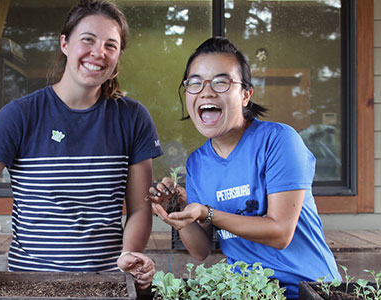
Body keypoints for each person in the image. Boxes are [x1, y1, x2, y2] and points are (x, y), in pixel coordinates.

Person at [0, 0, 163, 294]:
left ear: (118, 55)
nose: (98, 52)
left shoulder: (132, 117)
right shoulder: (20, 115)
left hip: (107, 285)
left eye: (110, 45)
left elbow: (139, 209)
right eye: (87, 39)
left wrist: (129, 253)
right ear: (64, 43)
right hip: (29, 285)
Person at [146, 36, 341, 299]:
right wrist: (177, 216)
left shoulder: (279, 140)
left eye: (221, 82)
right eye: (195, 83)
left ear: (246, 95)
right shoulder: (197, 163)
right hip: (247, 292)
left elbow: (280, 232)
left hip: (307, 290)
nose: (206, 91)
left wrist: (207, 212)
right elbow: (200, 249)